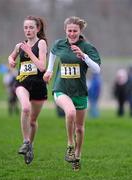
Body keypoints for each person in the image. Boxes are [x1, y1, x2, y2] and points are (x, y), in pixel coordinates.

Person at [43, 16, 101, 171]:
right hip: (61, 88)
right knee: (70, 113)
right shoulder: (59, 44)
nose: (72, 33)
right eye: (69, 30)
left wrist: (84, 56)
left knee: (80, 128)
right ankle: (70, 144)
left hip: (80, 91)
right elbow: (53, 54)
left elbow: (97, 69)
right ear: (65, 30)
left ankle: (77, 155)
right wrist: (49, 70)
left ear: (80, 31)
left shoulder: (87, 47)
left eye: (75, 31)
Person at [8, 16, 48, 164]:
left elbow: (42, 67)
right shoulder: (20, 45)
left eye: (31, 27)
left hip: (38, 85)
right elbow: (11, 57)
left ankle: (30, 145)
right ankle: (25, 141)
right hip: (22, 82)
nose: (28, 30)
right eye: (26, 28)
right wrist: (12, 60)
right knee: (25, 108)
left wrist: (29, 51)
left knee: (32, 121)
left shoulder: (41, 43)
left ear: (37, 29)